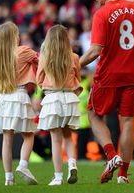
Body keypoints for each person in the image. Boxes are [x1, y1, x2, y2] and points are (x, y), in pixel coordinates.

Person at [80, 0, 134, 184]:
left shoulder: (101, 14)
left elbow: (95, 51)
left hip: (109, 74)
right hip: (132, 73)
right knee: (128, 122)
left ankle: (111, 156)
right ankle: (123, 175)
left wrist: (74, 65)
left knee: (93, 114)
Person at [0, 21, 38, 186]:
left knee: (7, 140)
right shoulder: (23, 51)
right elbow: (42, 60)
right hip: (19, 95)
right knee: (29, 134)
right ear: (14, 36)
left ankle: (8, 178)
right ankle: (23, 165)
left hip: (4, 98)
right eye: (17, 33)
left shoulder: (0, 56)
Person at [36, 25, 81, 186]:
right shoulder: (74, 57)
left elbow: (39, 79)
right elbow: (78, 79)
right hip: (70, 98)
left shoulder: (45, 57)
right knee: (68, 137)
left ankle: (58, 177)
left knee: (55, 140)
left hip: (53, 98)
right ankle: (72, 164)